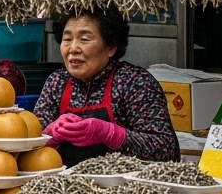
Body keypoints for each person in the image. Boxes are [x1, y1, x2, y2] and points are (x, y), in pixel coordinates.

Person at [35, 9, 180, 165]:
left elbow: (167, 150)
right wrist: (48, 134)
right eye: (67, 39)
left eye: (84, 39)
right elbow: (27, 142)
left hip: (125, 186)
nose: (73, 48)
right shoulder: (57, 82)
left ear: (111, 47)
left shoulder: (134, 81)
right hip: (64, 185)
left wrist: (111, 134)